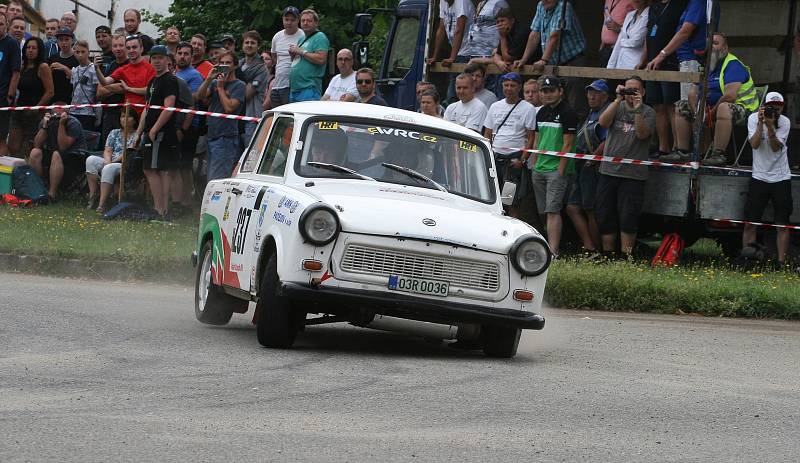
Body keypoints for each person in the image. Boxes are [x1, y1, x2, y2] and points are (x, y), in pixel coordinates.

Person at [666, 32, 759, 166]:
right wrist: (698, 114)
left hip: (745, 110)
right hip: (712, 110)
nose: (711, 47)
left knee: (723, 107)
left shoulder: (732, 65)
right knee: (682, 106)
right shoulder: (707, 65)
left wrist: (710, 113)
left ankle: (718, 154)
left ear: (725, 48)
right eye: (709, 44)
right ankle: (682, 152)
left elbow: (730, 96)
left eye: (715, 43)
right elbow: (693, 93)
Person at [595, 77, 656, 259]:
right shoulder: (617, 106)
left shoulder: (649, 112)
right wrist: (617, 99)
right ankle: (608, 253)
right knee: (605, 213)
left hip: (633, 174)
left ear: (643, 92)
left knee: (628, 216)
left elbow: (642, 133)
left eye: (635, 90)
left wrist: (637, 107)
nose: (631, 94)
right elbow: (603, 122)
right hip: (609, 170)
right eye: (628, 90)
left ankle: (626, 256)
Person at [520, 75, 578, 258]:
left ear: (560, 91)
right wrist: (535, 163)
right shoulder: (541, 112)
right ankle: (547, 245)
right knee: (543, 211)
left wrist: (561, 171)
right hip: (540, 168)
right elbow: (537, 140)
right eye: (544, 91)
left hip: (556, 170)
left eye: (551, 90)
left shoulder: (568, 112)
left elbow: (568, 144)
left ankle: (554, 251)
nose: (547, 94)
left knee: (553, 210)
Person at [742, 92, 793, 268]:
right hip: (759, 177)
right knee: (750, 223)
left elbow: (775, 147)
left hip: (781, 178)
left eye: (778, 105)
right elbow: (754, 144)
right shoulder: (753, 118)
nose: (775, 109)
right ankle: (748, 259)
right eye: (772, 105)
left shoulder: (785, 122)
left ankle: (781, 263)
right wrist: (761, 124)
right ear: (764, 106)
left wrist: (771, 127)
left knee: (782, 225)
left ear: (782, 106)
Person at [514, 0, 588, 116]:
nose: (545, 0)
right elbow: (535, 34)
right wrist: (524, 59)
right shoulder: (541, 5)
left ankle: (577, 130)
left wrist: (544, 59)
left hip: (572, 60)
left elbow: (555, 35)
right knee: (548, 96)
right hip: (552, 63)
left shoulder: (564, 6)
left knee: (574, 99)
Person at [565, 80, 611, 254]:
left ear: (605, 96)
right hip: (581, 165)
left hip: (591, 166)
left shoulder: (605, 113)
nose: (591, 96)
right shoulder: (591, 113)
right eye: (589, 92)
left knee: (590, 210)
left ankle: (597, 250)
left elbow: (607, 140)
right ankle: (589, 245)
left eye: (596, 93)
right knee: (572, 207)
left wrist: (593, 158)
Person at [134, 45, 179, 217]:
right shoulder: (153, 81)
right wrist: (138, 132)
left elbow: (169, 107)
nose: (157, 61)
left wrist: (154, 129)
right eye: (154, 58)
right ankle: (158, 207)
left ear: (168, 60)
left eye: (160, 57)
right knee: (150, 169)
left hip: (161, 133)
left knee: (157, 169)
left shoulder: (170, 80)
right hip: (149, 132)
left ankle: (161, 209)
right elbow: (147, 107)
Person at [484, 72, 535, 218]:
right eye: (506, 85)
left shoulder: (528, 108)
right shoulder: (495, 107)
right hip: (495, 159)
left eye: (512, 85)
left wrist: (523, 160)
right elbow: (487, 134)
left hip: (513, 162)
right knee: (491, 199)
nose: (509, 88)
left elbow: (531, 137)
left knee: (509, 201)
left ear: (519, 87)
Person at [640, 0, 686, 159]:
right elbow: (648, 35)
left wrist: (662, 56)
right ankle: (663, 147)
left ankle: (677, 147)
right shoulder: (654, 6)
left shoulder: (680, 5)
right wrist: (643, 59)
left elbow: (683, 33)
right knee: (657, 106)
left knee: (671, 105)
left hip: (671, 61)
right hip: (652, 62)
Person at [646, 0, 709, 103]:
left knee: (687, 107)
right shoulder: (691, 3)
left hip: (691, 60)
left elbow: (685, 32)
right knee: (682, 106)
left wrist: (662, 54)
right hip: (685, 60)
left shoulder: (698, 2)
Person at [196, 50, 245, 181]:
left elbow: (229, 108)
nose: (224, 66)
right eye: (221, 63)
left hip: (226, 138)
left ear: (235, 66)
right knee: (210, 178)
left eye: (228, 63)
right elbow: (199, 97)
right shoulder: (214, 83)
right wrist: (208, 79)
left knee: (217, 179)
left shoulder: (239, 85)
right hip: (211, 135)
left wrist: (221, 88)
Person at [29, 102, 87, 201]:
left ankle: (52, 194)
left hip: (75, 156)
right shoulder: (46, 122)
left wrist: (61, 124)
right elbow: (37, 144)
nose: (56, 118)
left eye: (59, 115)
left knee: (57, 154)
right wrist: (44, 126)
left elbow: (63, 146)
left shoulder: (73, 123)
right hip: (54, 153)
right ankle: (39, 189)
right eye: (54, 114)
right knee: (35, 152)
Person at [85, 110, 139, 213]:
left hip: (125, 164)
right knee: (91, 160)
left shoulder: (137, 135)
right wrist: (108, 161)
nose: (125, 119)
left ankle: (101, 205)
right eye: (123, 116)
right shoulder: (114, 132)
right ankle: (93, 195)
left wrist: (111, 163)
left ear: (135, 120)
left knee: (108, 168)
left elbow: (128, 153)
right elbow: (108, 150)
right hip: (110, 160)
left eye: (128, 117)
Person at [10, 37, 53, 159]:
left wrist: (36, 108)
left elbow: (50, 92)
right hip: (18, 110)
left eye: (34, 48)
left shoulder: (43, 67)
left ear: (39, 50)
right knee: (13, 147)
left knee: (31, 148)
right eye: (28, 47)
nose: (30, 50)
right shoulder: (22, 67)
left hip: (35, 113)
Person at [95, 35, 156, 117]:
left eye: (134, 47)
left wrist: (128, 89)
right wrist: (96, 68)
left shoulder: (150, 68)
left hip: (145, 114)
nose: (131, 50)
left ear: (141, 49)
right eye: (128, 48)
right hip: (128, 115)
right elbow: (105, 82)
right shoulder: (123, 69)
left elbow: (150, 90)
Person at [426, 0, 474, 102]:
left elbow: (459, 30)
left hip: (467, 51)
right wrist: (435, 56)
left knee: (457, 92)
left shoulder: (462, 2)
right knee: (453, 94)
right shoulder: (443, 2)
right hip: (457, 52)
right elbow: (441, 29)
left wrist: (452, 57)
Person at [175, 41, 203, 210]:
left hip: (188, 125)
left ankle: (187, 201)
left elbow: (192, 102)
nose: (183, 56)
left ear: (192, 57)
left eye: (186, 54)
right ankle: (178, 199)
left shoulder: (194, 75)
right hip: (175, 124)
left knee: (184, 165)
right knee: (176, 165)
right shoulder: (173, 73)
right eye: (180, 53)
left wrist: (183, 128)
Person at [288, 9, 329, 102]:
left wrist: (302, 51)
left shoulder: (320, 37)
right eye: (303, 21)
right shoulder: (301, 39)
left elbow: (321, 59)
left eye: (309, 21)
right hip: (295, 89)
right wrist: (293, 55)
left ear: (316, 23)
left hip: (309, 88)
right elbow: (299, 60)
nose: (305, 23)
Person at [267, 6, 304, 109]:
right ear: (282, 20)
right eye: (286, 19)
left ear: (298, 20)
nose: (289, 22)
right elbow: (274, 57)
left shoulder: (303, 36)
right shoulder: (277, 36)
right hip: (277, 83)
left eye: (292, 20)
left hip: (293, 85)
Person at [96, 33, 128, 147]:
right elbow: (99, 93)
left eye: (121, 45)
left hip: (125, 114)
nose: (118, 49)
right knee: (107, 147)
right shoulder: (110, 66)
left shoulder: (131, 65)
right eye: (115, 46)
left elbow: (126, 88)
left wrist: (109, 87)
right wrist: (118, 87)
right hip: (108, 114)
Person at [239, 30, 269, 143]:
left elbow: (246, 95)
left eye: (253, 43)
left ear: (258, 46)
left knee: (249, 152)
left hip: (251, 116)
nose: (249, 45)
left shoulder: (261, 68)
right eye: (247, 42)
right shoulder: (239, 64)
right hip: (235, 115)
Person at [491, 8, 536, 74]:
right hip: (516, 71)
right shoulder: (506, 32)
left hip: (531, 69)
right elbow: (497, 55)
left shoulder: (520, 32)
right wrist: (499, 63)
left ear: (512, 21)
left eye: (502, 21)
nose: (500, 24)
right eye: (498, 22)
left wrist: (503, 37)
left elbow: (508, 58)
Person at [606, 0, 649, 70]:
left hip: (635, 64)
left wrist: (622, 42)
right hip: (620, 64)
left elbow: (636, 42)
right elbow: (618, 43)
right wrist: (609, 68)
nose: (635, 0)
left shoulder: (649, 14)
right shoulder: (630, 15)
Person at [0, 14, 21, 156]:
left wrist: (10, 96)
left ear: (6, 25)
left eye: (1, 24)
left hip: (2, 97)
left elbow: (16, 72)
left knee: (1, 139)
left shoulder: (12, 44)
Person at [68, 40, 100, 131]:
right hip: (73, 110)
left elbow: (98, 91)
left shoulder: (93, 69)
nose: (80, 55)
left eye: (83, 52)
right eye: (77, 52)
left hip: (88, 111)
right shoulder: (74, 70)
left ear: (88, 52)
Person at [599, 0, 634, 67]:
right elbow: (605, 20)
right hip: (605, 48)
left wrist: (619, 28)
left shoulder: (632, 1)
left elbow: (637, 27)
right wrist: (603, 42)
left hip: (619, 49)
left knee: (615, 76)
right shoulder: (608, 1)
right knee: (602, 76)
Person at [48, 27, 78, 104]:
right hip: (55, 99)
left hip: (72, 100)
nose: (64, 42)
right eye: (61, 40)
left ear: (72, 41)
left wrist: (65, 69)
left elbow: (80, 81)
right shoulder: (53, 58)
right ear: (57, 41)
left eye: (66, 39)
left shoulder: (77, 58)